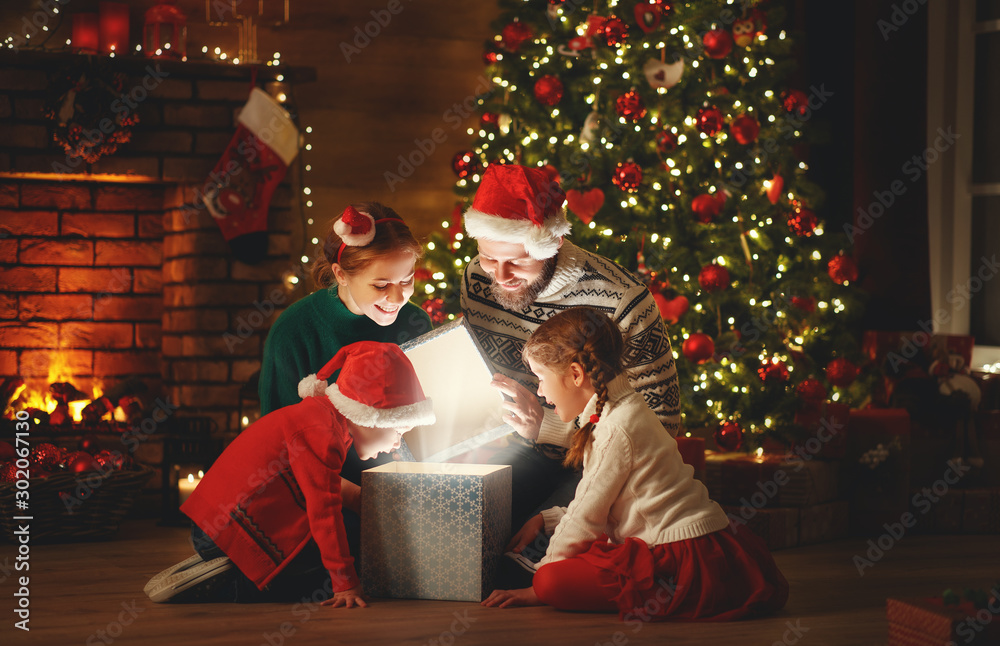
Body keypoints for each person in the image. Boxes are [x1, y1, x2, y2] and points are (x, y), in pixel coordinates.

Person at [481, 308, 788, 620]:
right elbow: (613, 501)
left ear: (576, 374)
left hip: (675, 553)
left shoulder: (614, 427)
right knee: (576, 557)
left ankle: (668, 590)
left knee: (550, 581)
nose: (540, 392)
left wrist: (538, 586)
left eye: (541, 378)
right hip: (683, 540)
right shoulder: (619, 408)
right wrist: (548, 519)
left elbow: (588, 515)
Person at [461, 163, 680, 530]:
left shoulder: (621, 300)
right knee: (469, 527)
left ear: (553, 244)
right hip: (514, 453)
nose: (500, 277)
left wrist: (545, 427)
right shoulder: (478, 281)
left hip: (604, 462)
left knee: (551, 549)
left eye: (517, 261)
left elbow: (659, 430)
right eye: (489, 258)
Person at [144, 341, 435, 607]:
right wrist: (345, 585)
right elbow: (323, 512)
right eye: (398, 429)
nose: (398, 442)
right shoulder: (322, 433)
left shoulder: (322, 417)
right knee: (320, 579)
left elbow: (320, 486)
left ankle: (224, 564)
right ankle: (229, 585)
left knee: (348, 534)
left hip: (212, 525)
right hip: (218, 532)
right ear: (370, 416)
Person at [258, 203, 433, 550]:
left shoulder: (415, 323)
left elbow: (423, 432)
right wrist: (353, 496)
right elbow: (279, 446)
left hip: (392, 479)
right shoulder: (295, 331)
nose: (397, 297)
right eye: (381, 284)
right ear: (340, 274)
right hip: (316, 485)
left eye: (407, 280)